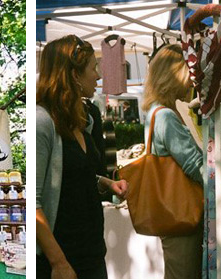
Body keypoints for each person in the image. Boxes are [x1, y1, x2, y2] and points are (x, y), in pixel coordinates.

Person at [36, 35, 129, 279]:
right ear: (74, 75)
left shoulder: (81, 120)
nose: (98, 76)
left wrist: (105, 183)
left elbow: (75, 177)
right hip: (65, 260)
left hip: (92, 253)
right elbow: (33, 203)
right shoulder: (42, 122)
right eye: (93, 68)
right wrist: (59, 263)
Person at [141, 44, 204, 279]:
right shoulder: (165, 116)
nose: (191, 82)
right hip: (182, 215)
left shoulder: (156, 112)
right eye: (188, 74)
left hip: (174, 215)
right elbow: (193, 165)